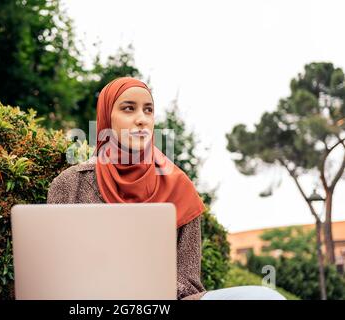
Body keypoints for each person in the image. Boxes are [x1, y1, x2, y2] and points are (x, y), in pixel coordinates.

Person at [47, 77, 286, 300]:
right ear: (107, 118)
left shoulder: (178, 186)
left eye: (148, 110)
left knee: (266, 296)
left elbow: (187, 280)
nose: (142, 119)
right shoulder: (71, 184)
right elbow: (52, 273)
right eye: (128, 108)